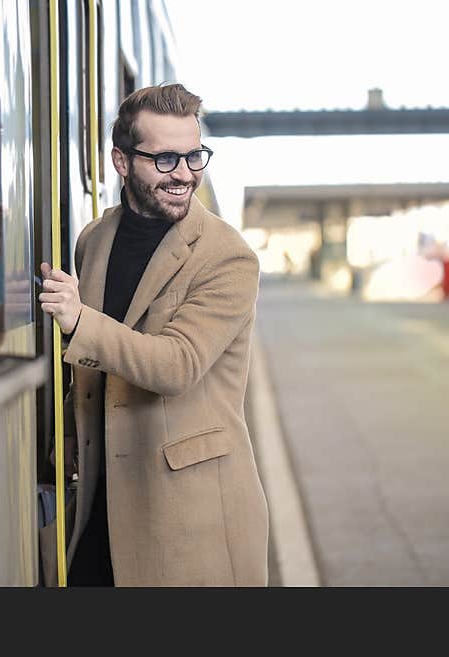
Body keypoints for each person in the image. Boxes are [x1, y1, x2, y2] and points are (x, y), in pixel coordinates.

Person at [38, 84, 268, 586]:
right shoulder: (94, 239)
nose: (185, 173)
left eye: (193, 155)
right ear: (121, 162)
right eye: (165, 159)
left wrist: (79, 321)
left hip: (188, 514)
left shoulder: (228, 257)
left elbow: (176, 365)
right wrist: (73, 429)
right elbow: (95, 364)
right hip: (102, 499)